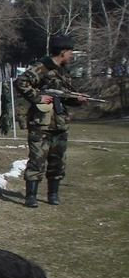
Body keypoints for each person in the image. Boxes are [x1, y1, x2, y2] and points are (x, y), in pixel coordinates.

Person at [14, 33, 86, 207]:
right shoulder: (42, 68)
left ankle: (53, 194)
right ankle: (31, 195)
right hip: (41, 123)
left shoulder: (63, 71)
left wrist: (76, 99)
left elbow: (63, 96)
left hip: (60, 123)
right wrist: (38, 98)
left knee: (57, 161)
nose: (71, 56)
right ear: (63, 52)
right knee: (37, 160)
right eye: (70, 52)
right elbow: (21, 82)